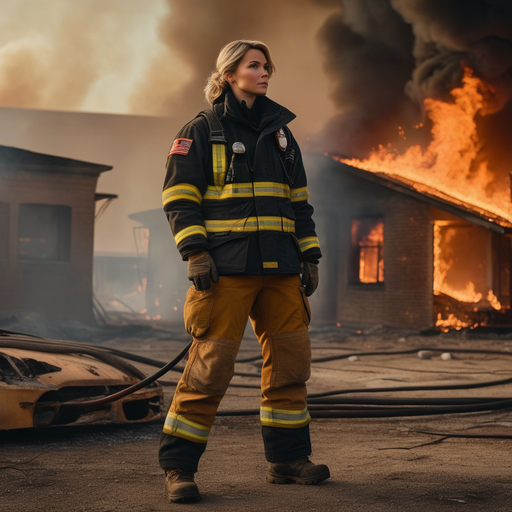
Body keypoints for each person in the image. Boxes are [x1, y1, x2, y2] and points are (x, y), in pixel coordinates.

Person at [159, 39, 329, 503]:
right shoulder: (201, 129)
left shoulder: (281, 133)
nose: (265, 72)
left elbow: (299, 203)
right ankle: (178, 468)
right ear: (230, 73)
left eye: (267, 65)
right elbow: (179, 197)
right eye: (254, 65)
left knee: (291, 370)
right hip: (227, 272)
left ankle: (288, 461)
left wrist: (309, 256)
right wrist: (195, 251)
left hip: (281, 271)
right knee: (209, 371)